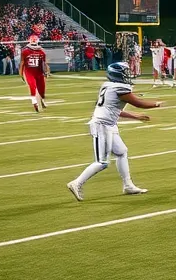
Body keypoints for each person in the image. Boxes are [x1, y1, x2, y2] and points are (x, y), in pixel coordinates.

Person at [67, 62, 161, 200]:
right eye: (125, 72)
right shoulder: (120, 87)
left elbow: (114, 110)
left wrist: (135, 116)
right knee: (102, 162)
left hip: (108, 124)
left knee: (122, 152)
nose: (128, 74)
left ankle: (128, 185)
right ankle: (77, 183)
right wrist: (156, 104)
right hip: (102, 125)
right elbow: (139, 103)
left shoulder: (107, 85)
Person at [20, 34, 50, 112]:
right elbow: (22, 63)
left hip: (39, 72)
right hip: (30, 72)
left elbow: (44, 63)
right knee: (32, 86)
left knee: (42, 89)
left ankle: (42, 100)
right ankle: (34, 101)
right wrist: (21, 73)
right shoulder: (25, 51)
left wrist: (46, 71)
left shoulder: (41, 52)